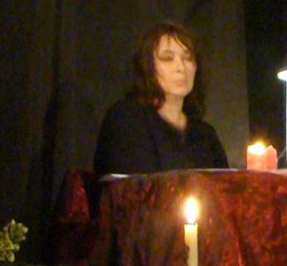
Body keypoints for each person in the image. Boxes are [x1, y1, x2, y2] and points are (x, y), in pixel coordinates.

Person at [93, 22, 229, 176]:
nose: (180, 67)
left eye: (188, 58)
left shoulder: (205, 134)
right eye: (167, 58)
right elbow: (131, 185)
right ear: (148, 66)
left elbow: (224, 187)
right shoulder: (126, 119)